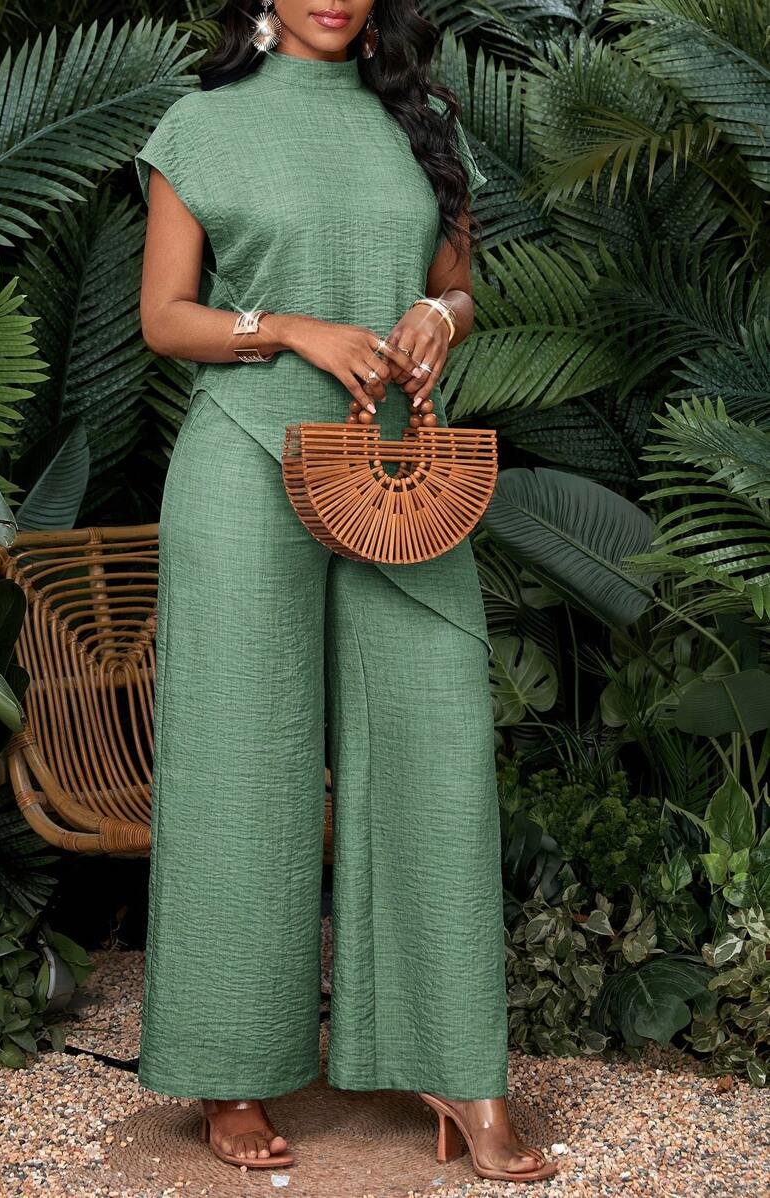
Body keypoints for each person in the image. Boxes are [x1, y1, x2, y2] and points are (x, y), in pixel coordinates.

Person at [134, 0, 558, 1184]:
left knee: (437, 742)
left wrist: (436, 313)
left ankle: (461, 1070)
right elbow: (164, 317)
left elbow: (460, 290)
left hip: (403, 475)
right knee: (241, 763)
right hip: (242, 461)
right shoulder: (200, 126)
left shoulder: (422, 120)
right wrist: (292, 330)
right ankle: (231, 1070)